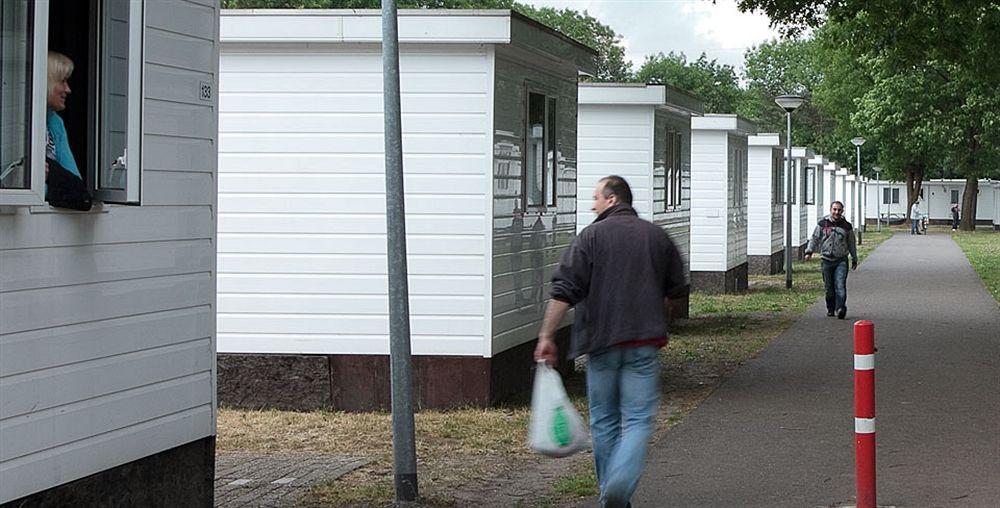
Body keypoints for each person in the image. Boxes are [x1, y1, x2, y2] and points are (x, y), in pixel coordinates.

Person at [534, 176, 687, 508]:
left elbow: (564, 290)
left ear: (613, 199)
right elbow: (678, 288)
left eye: (596, 198)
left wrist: (547, 336)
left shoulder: (589, 237)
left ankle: (610, 491)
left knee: (603, 420)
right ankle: (618, 487)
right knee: (637, 418)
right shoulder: (656, 236)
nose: (592, 204)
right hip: (644, 343)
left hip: (601, 343)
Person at [805, 201, 858, 320]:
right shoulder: (823, 224)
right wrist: (809, 251)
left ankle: (840, 308)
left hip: (841, 260)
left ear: (842, 211)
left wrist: (854, 258)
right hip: (826, 260)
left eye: (839, 210)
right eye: (834, 209)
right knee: (829, 288)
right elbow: (815, 238)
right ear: (830, 210)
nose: (836, 212)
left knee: (840, 285)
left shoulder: (846, 226)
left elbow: (851, 244)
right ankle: (830, 308)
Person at [46, 51, 82, 180]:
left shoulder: (55, 122)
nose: (68, 89)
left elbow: (73, 178)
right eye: (62, 81)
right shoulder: (18, 118)